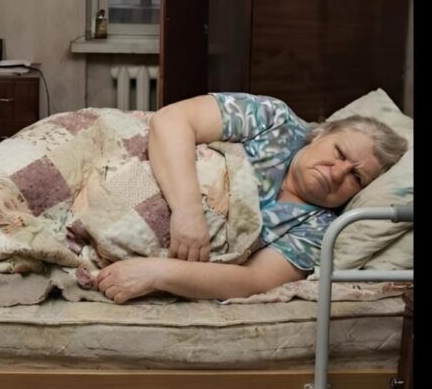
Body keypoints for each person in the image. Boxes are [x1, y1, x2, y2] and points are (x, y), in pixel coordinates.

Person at [95, 92, 408, 304]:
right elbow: (172, 119)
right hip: (120, 164)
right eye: (339, 153)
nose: (338, 172)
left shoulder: (319, 228)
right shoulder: (274, 121)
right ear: (322, 133)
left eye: (356, 177)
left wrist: (158, 274)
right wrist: (187, 211)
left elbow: (255, 279)